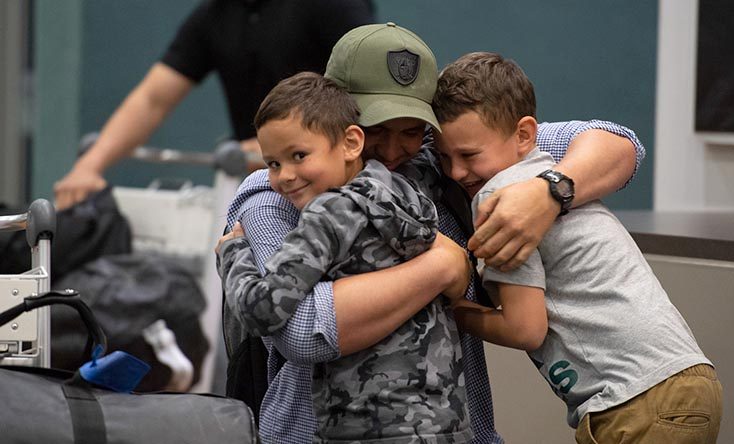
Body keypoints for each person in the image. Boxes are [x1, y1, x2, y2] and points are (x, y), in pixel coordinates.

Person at [222, 23, 646, 443]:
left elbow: (620, 143)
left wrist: (549, 190)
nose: (391, 152)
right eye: (375, 131)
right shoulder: (276, 194)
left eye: (409, 130)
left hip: (455, 428)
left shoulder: (442, 155)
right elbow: (304, 331)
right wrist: (443, 266)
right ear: (338, 119)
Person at [432, 51, 723, 444]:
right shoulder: (548, 164)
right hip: (681, 382)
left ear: (523, 135)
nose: (455, 172)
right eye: (443, 157)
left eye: (468, 155)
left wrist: (458, 314)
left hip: (636, 400)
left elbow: (525, 328)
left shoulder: (498, 195)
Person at [216, 71, 473, 442]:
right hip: (445, 423)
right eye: (272, 164)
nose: (285, 176)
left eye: (299, 156)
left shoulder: (327, 214)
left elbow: (262, 310)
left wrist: (233, 252)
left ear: (352, 142)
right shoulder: (409, 193)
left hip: (368, 428)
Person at [53, 0, 374, 210]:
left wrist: (283, 150)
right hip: (264, 186)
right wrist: (88, 166)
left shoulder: (332, 5)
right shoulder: (213, 15)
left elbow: (369, 89)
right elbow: (153, 98)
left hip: (343, 193)